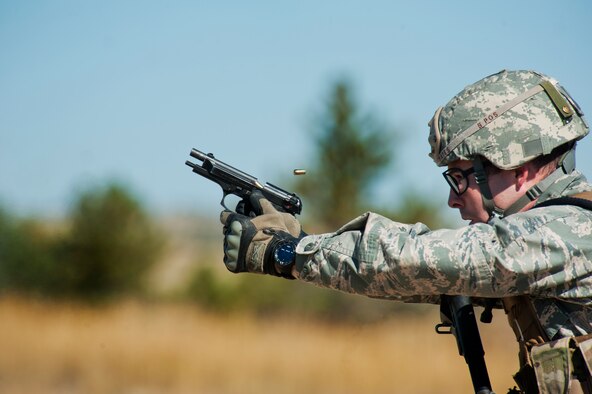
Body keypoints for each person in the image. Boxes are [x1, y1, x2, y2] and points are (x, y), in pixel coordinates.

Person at [220, 69, 592, 393]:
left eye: (461, 178)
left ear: (520, 169)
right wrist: (301, 244)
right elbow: (416, 279)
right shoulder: (553, 234)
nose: (452, 198)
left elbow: (413, 261)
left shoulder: (568, 231)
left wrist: (286, 254)